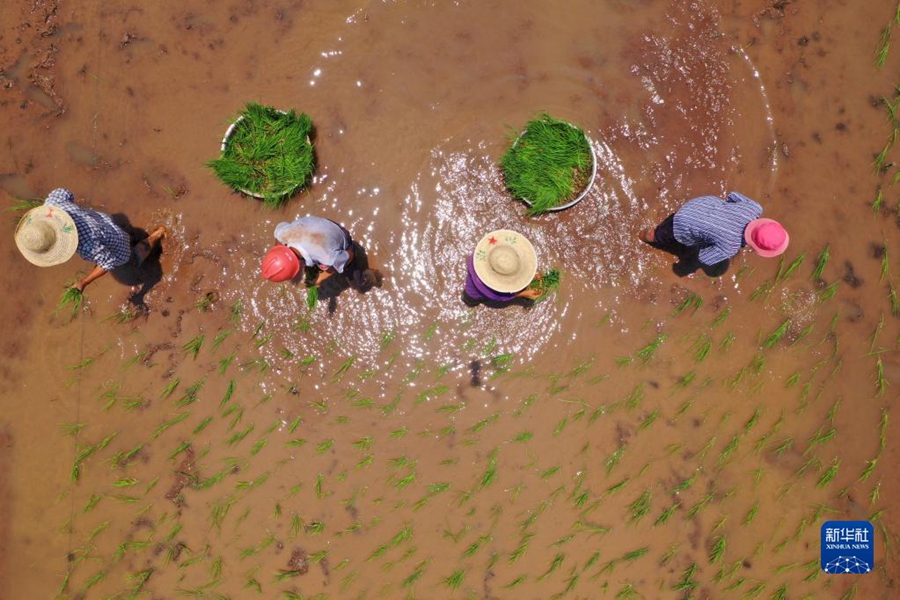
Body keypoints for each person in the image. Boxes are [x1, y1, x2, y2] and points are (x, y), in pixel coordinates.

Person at [14, 188, 165, 291]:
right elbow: (65, 192)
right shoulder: (52, 203)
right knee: (121, 236)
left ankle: (158, 233)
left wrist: (84, 282)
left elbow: (108, 262)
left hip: (116, 245)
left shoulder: (86, 246)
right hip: (104, 222)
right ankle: (131, 236)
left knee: (133, 257)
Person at [639, 191, 789, 268]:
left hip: (699, 204)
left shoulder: (754, 208)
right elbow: (704, 258)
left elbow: (732, 195)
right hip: (683, 222)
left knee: (678, 220)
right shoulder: (730, 247)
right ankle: (640, 236)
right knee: (656, 235)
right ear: (756, 248)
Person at [261, 216, 355, 285]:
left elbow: (350, 256)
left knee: (341, 269)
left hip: (341, 236)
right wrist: (278, 251)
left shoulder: (328, 258)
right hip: (323, 225)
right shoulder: (283, 233)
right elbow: (278, 233)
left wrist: (321, 278)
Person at [464, 229, 544, 304]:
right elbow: (499, 297)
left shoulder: (475, 258)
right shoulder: (488, 290)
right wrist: (523, 294)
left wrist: (532, 274)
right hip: (473, 294)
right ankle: (469, 301)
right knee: (471, 300)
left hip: (473, 281)